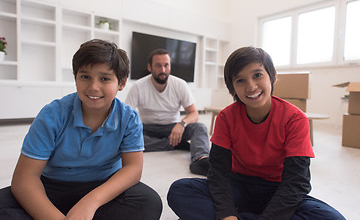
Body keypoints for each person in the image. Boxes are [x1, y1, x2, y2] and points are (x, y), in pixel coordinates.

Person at [167, 47, 345, 220]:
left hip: (278, 190)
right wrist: (227, 215)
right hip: (238, 186)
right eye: (240, 80)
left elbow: (296, 182)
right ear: (232, 88)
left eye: (257, 75)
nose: (251, 86)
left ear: (272, 75)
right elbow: (218, 174)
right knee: (180, 190)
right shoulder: (226, 118)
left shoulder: (295, 118)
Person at [0, 39, 162, 220]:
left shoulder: (128, 118)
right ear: (76, 78)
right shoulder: (52, 115)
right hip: (53, 187)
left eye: (105, 79)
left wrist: (90, 202)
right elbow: (25, 178)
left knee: (149, 203)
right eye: (85, 76)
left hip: (103, 188)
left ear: (121, 83)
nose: (93, 87)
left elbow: (133, 169)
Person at [125, 48, 210, 176]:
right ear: (150, 67)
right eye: (158, 66)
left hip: (173, 129)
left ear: (170, 66)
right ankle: (174, 145)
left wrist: (181, 124)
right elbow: (126, 117)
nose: (163, 70)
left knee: (200, 127)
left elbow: (194, 113)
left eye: (166, 65)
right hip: (146, 129)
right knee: (127, 135)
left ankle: (201, 159)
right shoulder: (138, 86)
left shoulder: (180, 84)